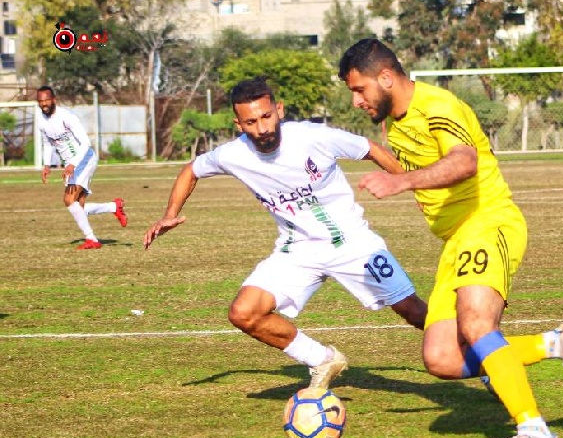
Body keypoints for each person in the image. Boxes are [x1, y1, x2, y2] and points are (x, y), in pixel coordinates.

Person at [338, 38, 563, 438]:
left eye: (359, 89)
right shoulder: (397, 122)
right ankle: (554, 344)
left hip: (487, 221)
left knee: (477, 324)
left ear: (386, 78)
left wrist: (400, 183)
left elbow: (465, 162)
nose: (356, 100)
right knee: (442, 357)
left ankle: (533, 429)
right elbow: (413, 162)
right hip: (456, 241)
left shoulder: (437, 106)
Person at [143, 76, 427, 390]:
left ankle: (484, 356)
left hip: (352, 242)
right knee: (244, 313)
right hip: (297, 250)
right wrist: (170, 214)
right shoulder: (233, 154)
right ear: (239, 124)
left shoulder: (312, 137)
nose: (262, 128)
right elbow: (191, 169)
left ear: (279, 110)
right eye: (251, 122)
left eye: (266, 116)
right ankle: (322, 359)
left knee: (413, 311)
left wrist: (415, 185)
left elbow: (370, 148)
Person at [38, 86, 128, 249]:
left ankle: (91, 239)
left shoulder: (67, 117)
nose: (44, 104)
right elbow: (47, 143)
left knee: (69, 200)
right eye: (41, 101)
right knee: (78, 207)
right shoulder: (42, 122)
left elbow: (86, 143)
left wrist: (72, 164)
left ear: (54, 100)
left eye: (46, 100)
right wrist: (46, 165)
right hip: (71, 165)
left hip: (84, 160)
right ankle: (114, 207)